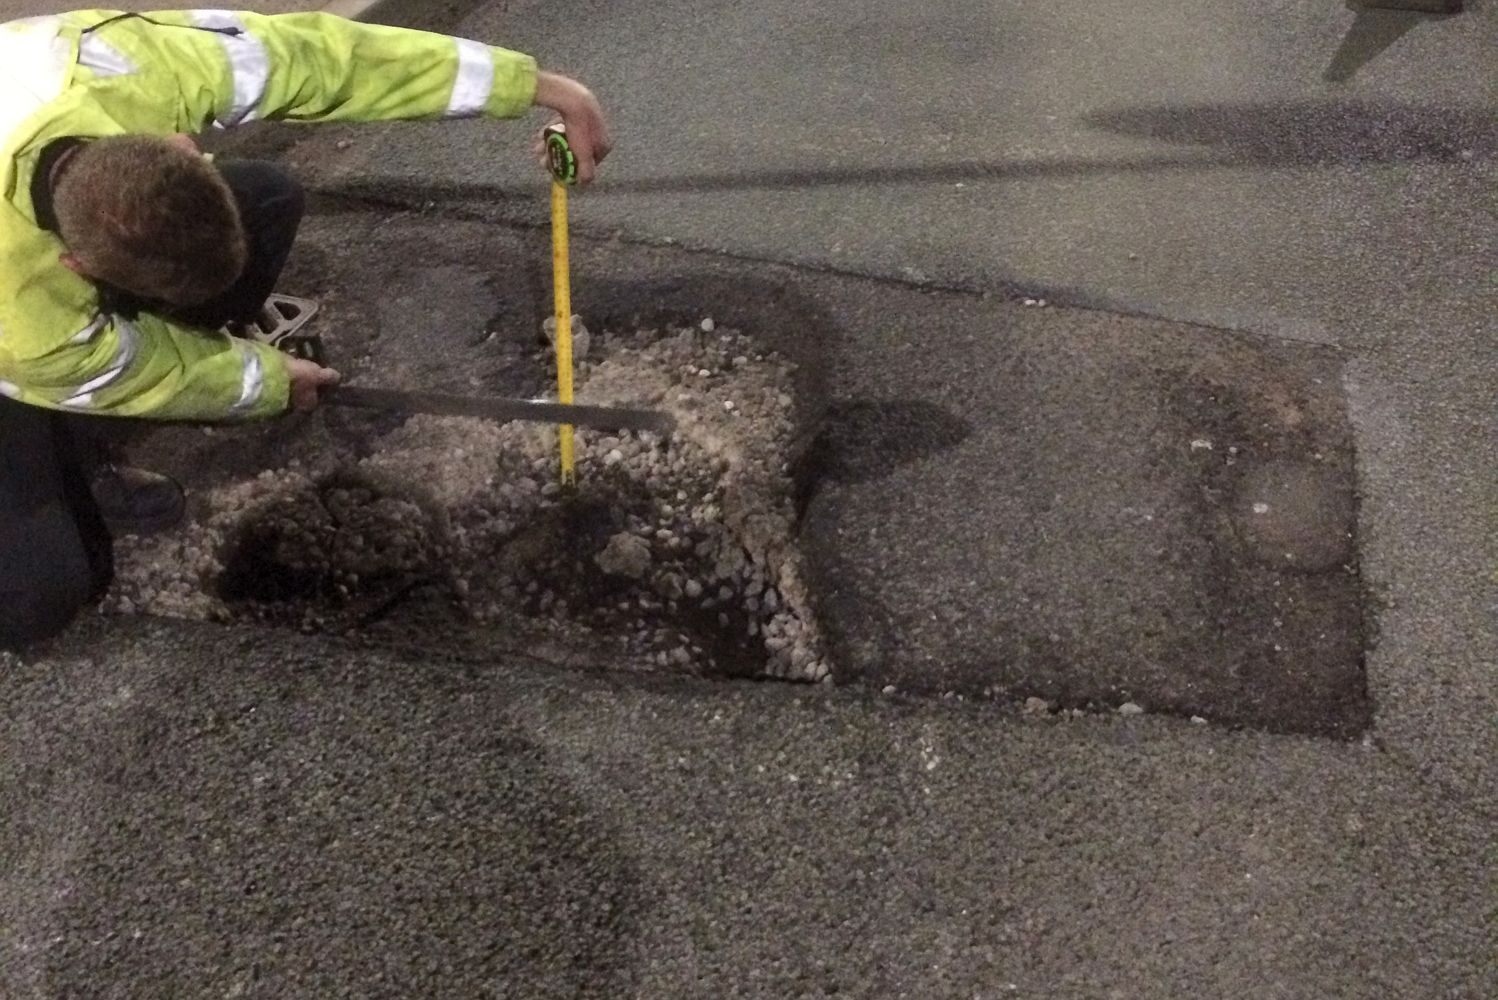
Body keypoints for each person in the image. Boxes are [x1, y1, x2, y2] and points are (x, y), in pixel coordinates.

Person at [0, 9, 611, 649]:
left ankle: (76, 431)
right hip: (21, 345)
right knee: (43, 597)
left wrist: (545, 87)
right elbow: (135, 370)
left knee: (265, 195)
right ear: (75, 266)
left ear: (179, 146)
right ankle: (65, 446)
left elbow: (332, 59)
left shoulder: (142, 65)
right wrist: (265, 383)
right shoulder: (26, 319)